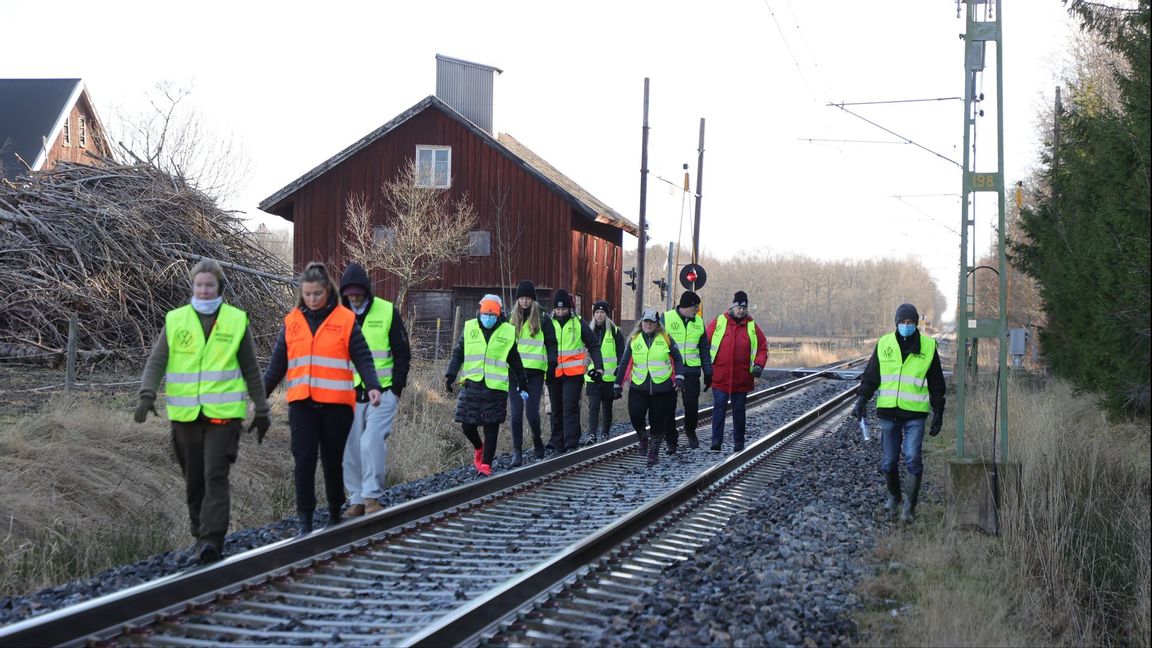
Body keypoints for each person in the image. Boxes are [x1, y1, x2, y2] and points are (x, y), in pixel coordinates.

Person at [134, 259, 270, 564]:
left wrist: (261, 408)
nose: (204, 290)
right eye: (199, 285)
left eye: (209, 285)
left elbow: (250, 368)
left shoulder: (236, 321)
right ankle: (200, 535)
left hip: (224, 416)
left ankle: (212, 539)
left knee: (215, 475)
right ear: (192, 287)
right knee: (194, 479)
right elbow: (157, 361)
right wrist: (147, 395)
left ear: (219, 287)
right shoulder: (176, 320)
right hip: (185, 418)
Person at [263, 262, 383, 535]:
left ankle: (333, 512)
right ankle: (305, 519)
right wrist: (260, 396)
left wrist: (373, 385)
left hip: (336, 405)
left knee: (331, 460)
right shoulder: (291, 322)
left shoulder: (344, 319)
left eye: (317, 293)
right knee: (303, 460)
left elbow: (362, 357)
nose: (313, 299)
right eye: (307, 294)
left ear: (327, 290)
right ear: (301, 293)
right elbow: (276, 365)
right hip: (301, 403)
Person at [851, 303, 946, 522]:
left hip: (914, 414)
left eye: (910, 322)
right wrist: (862, 399)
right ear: (896, 323)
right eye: (902, 322)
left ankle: (909, 508)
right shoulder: (885, 344)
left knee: (913, 457)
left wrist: (938, 410)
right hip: (888, 413)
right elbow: (871, 376)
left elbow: (936, 383)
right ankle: (894, 496)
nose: (906, 326)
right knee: (889, 462)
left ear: (916, 324)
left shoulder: (928, 346)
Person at [338, 263, 411, 517]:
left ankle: (372, 497)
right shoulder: (338, 315)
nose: (354, 298)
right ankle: (356, 498)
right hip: (349, 391)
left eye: (358, 293)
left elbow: (403, 352)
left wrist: (397, 388)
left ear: (367, 291)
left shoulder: (387, 311)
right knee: (349, 446)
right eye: (350, 293)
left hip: (384, 390)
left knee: (370, 441)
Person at [444, 294, 529, 477]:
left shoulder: (507, 331)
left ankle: (486, 465)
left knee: (491, 427)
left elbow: (515, 360)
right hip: (472, 384)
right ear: (480, 312)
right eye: (485, 313)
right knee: (467, 425)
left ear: (498, 315)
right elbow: (458, 353)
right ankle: (478, 447)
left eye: (492, 314)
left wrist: (523, 383)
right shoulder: (470, 327)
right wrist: (450, 375)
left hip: (495, 387)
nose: (488, 317)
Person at [613, 308, 685, 466]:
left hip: (662, 387)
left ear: (657, 324)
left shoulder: (666, 338)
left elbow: (678, 359)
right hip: (639, 386)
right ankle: (642, 438)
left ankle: (654, 451)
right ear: (642, 322)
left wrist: (679, 378)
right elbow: (625, 363)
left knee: (657, 420)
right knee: (636, 415)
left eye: (652, 322)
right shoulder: (634, 340)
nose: (648, 324)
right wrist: (618, 384)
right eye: (646, 321)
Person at [706, 291, 768, 453]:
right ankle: (716, 442)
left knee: (739, 411)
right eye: (739, 307)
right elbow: (705, 343)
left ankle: (738, 443)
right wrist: (706, 368)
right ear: (732, 307)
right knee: (719, 408)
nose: (741, 310)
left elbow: (763, 347)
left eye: (744, 307)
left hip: (742, 378)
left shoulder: (752, 326)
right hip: (720, 376)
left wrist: (759, 365)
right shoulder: (718, 322)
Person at [546, 289, 605, 453]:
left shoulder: (579, 323)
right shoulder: (548, 323)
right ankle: (558, 444)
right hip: (553, 373)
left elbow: (593, 345)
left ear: (569, 309)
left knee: (570, 407)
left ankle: (570, 443)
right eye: (557, 309)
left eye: (563, 309)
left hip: (574, 374)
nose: (560, 312)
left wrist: (599, 367)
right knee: (556, 409)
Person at [508, 280, 556, 463]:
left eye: (528, 298)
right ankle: (517, 451)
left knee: (532, 413)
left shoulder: (543, 318)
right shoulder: (511, 319)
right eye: (522, 298)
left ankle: (537, 440)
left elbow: (551, 343)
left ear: (533, 300)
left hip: (535, 373)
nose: (525, 301)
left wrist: (552, 364)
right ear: (517, 299)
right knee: (516, 414)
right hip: (514, 374)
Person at [661, 291, 713, 452]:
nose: (697, 310)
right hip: (670, 370)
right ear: (686, 306)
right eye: (695, 307)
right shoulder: (666, 318)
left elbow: (704, 349)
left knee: (691, 404)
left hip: (691, 370)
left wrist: (708, 371)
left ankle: (690, 430)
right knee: (668, 407)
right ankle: (671, 438)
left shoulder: (699, 322)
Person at [585, 300, 624, 444]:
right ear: (593, 314)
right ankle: (592, 434)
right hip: (592, 376)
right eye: (597, 312)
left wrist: (619, 370)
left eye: (602, 312)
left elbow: (621, 352)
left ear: (607, 315)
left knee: (607, 406)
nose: (599, 315)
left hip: (609, 376)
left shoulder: (614, 331)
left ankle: (605, 434)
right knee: (593, 405)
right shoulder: (588, 330)